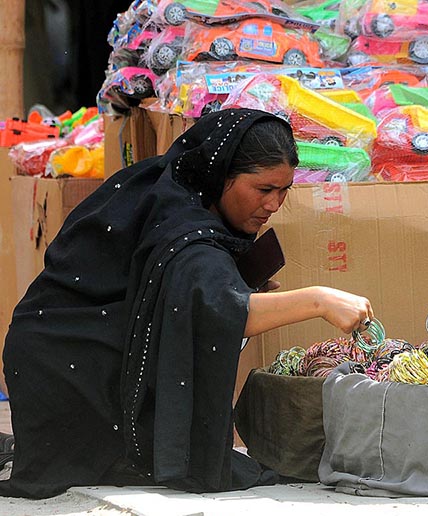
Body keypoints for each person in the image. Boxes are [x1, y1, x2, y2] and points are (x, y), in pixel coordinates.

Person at [0, 108, 374, 499]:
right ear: (222, 176)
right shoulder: (187, 232)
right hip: (65, 372)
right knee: (165, 461)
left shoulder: (175, 182)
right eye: (264, 190)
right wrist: (320, 300)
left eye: (284, 191)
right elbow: (221, 309)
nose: (274, 204)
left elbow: (196, 296)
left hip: (53, 349)